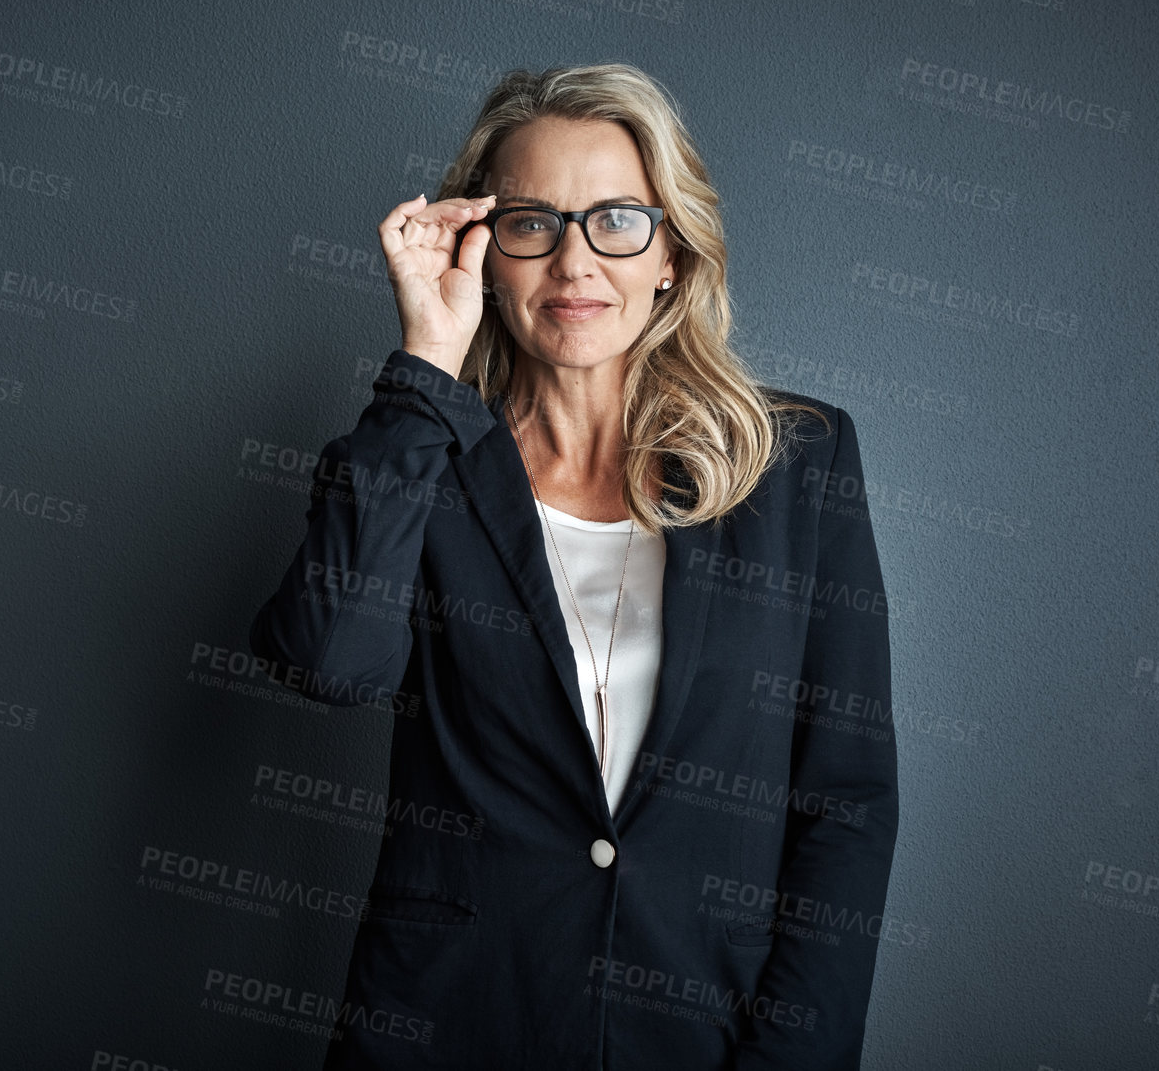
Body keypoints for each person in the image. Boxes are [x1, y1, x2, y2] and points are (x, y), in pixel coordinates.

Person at [249, 63, 898, 1070]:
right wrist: (426, 362)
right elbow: (331, 664)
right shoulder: (422, 458)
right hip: (448, 1025)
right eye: (532, 223)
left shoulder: (798, 462)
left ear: (672, 253)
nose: (574, 261)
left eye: (617, 221)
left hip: (702, 1032)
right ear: (483, 246)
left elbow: (845, 803)